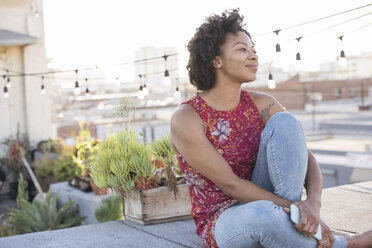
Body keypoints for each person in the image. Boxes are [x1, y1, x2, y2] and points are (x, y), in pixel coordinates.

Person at [170, 9, 372, 248]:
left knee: (286, 122)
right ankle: (348, 244)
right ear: (216, 60)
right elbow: (231, 185)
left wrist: (313, 206)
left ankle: (297, 228)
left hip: (276, 203)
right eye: (242, 49)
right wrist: (298, 210)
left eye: (253, 49)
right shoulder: (187, 117)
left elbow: (307, 160)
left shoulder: (262, 104)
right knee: (263, 215)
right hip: (224, 218)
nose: (253, 56)